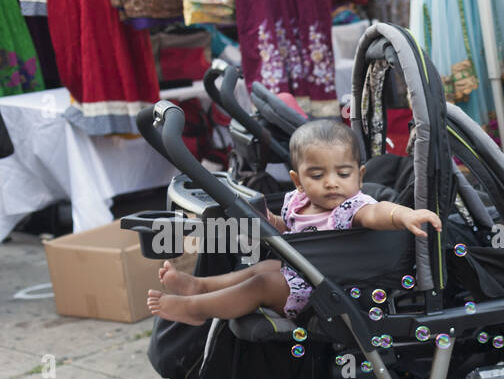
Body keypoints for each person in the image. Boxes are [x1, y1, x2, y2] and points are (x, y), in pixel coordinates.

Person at [148, 119, 441, 326]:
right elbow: (290, 234)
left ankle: (196, 309)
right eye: (317, 176)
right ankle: (200, 286)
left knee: (262, 281)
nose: (331, 183)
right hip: (300, 273)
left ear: (360, 176)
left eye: (343, 173)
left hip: (323, 294)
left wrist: (405, 215)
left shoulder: (353, 207)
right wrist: (268, 221)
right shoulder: (296, 202)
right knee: (263, 267)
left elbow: (378, 213)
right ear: (297, 181)